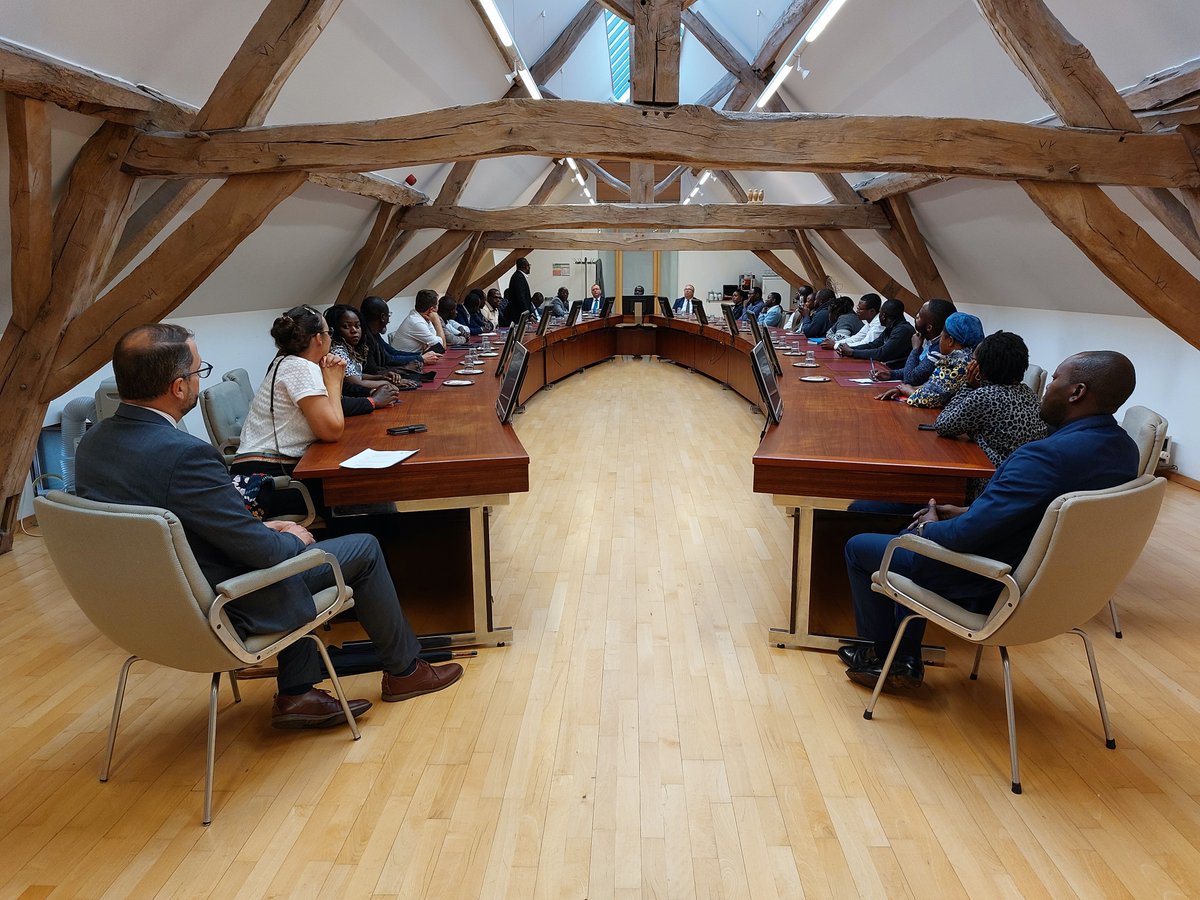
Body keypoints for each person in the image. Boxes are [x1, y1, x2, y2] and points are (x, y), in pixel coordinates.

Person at [75, 324, 463, 728]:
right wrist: (290, 537)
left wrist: (260, 530)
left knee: (281, 544)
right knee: (361, 547)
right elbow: (259, 554)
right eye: (197, 373)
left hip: (145, 612)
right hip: (222, 604)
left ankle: (298, 693)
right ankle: (405, 673)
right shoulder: (185, 455)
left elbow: (187, 525)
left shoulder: (94, 443)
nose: (196, 381)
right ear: (177, 388)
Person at [840, 350, 1140, 690]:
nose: (1046, 387)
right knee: (909, 533)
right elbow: (1043, 513)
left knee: (862, 546)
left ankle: (884, 659)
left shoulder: (1043, 457)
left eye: (1055, 378)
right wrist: (967, 511)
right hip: (1058, 589)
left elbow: (965, 537)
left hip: (991, 580)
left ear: (1077, 392)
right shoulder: (1125, 450)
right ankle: (905, 657)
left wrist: (929, 526)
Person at [935, 331, 1048, 500]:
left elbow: (943, 425)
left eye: (974, 360)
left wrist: (968, 385)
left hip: (991, 484)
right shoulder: (1028, 392)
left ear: (981, 368)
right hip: (1023, 481)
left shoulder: (984, 396)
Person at [875, 311, 983, 408]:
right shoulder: (968, 355)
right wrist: (902, 389)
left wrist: (908, 390)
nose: (939, 340)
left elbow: (930, 398)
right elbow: (934, 386)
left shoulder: (957, 363)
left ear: (950, 341)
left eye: (942, 336)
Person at [324, 304, 409, 404]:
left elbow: (356, 374)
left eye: (357, 326)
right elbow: (355, 382)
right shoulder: (338, 352)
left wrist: (382, 377)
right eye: (346, 326)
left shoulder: (349, 348)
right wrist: (388, 383)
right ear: (334, 329)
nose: (354, 330)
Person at [875, 298, 956, 385]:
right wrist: (891, 374)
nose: (916, 316)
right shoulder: (930, 340)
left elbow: (911, 379)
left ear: (929, 328)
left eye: (920, 316)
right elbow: (918, 369)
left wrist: (915, 349)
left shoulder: (940, 349)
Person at [359, 296, 441, 378]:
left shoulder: (374, 334)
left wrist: (421, 355)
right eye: (388, 315)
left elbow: (392, 352)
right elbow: (387, 361)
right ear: (383, 317)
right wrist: (420, 358)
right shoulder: (366, 338)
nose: (389, 321)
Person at [837, 298, 915, 369]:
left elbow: (882, 354)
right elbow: (873, 345)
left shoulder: (903, 330)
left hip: (897, 372)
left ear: (883, 315)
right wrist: (850, 348)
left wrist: (853, 352)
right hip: (885, 368)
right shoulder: (891, 327)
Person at [392, 289, 446, 353]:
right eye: (437, 305)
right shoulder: (416, 322)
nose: (438, 308)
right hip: (404, 362)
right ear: (431, 309)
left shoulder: (422, 317)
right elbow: (442, 346)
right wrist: (437, 321)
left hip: (414, 359)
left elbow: (437, 343)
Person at [500, 257, 533, 327]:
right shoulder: (518, 277)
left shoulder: (519, 276)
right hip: (517, 315)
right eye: (528, 265)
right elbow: (521, 298)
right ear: (524, 266)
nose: (529, 267)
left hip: (518, 314)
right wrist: (528, 314)